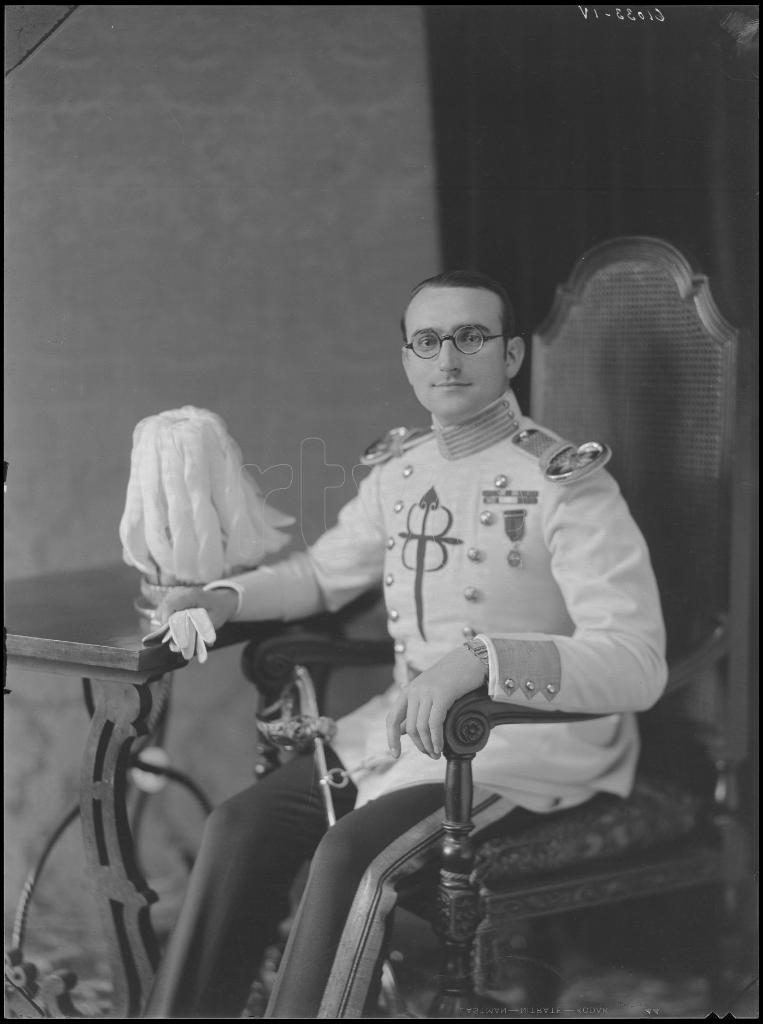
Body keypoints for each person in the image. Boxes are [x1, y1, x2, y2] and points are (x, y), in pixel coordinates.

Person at [143, 270, 667, 1019]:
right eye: (427, 340)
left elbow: (636, 661)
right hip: (400, 734)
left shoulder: (565, 483)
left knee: (351, 856)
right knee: (240, 824)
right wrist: (219, 598)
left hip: (522, 744)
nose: (447, 357)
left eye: (470, 337)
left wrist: (483, 660)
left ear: (511, 355)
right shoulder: (402, 470)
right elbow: (322, 576)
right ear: (408, 359)